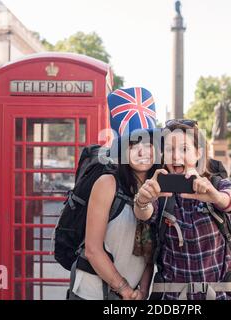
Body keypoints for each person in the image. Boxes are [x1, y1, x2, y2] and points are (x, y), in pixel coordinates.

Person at [134, 119, 231, 300]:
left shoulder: (215, 183)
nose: (176, 157)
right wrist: (142, 200)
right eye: (169, 150)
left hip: (219, 295)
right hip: (172, 298)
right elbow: (145, 214)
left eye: (184, 149)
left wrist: (215, 196)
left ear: (198, 153)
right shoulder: (160, 191)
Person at [69, 87, 161, 300]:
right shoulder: (107, 183)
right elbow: (92, 249)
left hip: (132, 294)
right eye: (133, 144)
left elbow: (149, 255)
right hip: (93, 293)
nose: (142, 151)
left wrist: (143, 290)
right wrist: (124, 289)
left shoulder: (157, 188)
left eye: (147, 143)